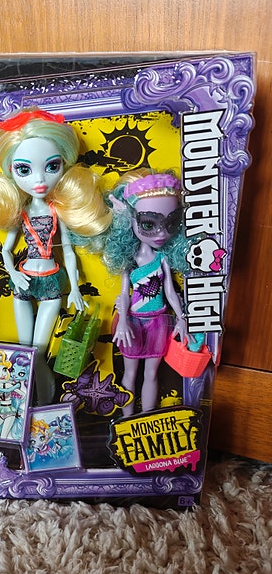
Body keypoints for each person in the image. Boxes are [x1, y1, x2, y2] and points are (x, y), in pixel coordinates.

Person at [0, 108, 111, 404]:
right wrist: (12, 272)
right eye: (24, 170)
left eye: (52, 166)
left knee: (39, 351)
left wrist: (75, 288)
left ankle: (42, 405)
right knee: (25, 352)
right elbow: (6, 250)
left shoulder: (57, 210)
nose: (38, 180)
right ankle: (27, 403)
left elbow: (69, 251)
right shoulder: (19, 212)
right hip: (24, 280)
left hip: (51, 282)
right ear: (11, 171)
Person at [101, 169, 189, 415]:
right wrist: (122, 321)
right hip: (133, 322)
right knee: (129, 373)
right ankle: (126, 420)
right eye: (149, 224)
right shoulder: (130, 261)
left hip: (158, 322)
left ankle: (147, 418)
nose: (161, 233)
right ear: (130, 220)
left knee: (151, 374)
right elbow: (124, 293)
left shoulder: (162, 259)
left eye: (170, 223)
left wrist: (181, 318)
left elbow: (169, 291)